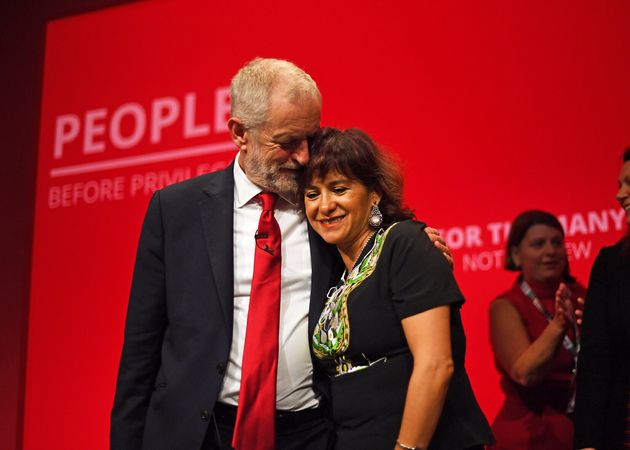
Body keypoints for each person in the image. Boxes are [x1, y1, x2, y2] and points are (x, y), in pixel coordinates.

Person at [111, 58, 451, 450]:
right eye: (288, 142)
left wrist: (418, 242)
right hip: (200, 432)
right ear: (240, 133)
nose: (305, 156)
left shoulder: (326, 209)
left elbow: (378, 242)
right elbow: (142, 346)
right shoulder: (176, 210)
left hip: (311, 432)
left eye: (312, 136)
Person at [302, 127, 494, 450]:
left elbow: (435, 365)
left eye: (339, 189)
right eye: (312, 194)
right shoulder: (333, 278)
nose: (325, 206)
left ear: (374, 193)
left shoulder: (405, 243)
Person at [488, 210, 586, 450]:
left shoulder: (585, 297)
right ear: (516, 255)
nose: (550, 251)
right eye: (538, 244)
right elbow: (525, 373)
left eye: (556, 242)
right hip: (531, 433)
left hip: (588, 425)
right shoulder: (506, 306)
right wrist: (560, 324)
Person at [573, 148, 630, 450]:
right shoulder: (612, 265)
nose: (620, 195)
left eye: (629, 183)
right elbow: (596, 362)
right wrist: (587, 443)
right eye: (620, 184)